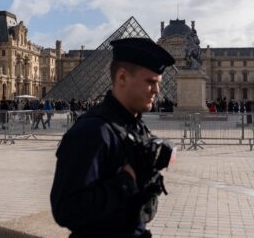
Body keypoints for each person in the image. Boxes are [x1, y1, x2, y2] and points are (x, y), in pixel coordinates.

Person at [50, 37, 175, 238]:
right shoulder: (93, 131)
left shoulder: (135, 126)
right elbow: (66, 210)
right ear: (122, 77)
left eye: (158, 83)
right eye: (150, 82)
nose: (157, 91)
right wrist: (127, 180)